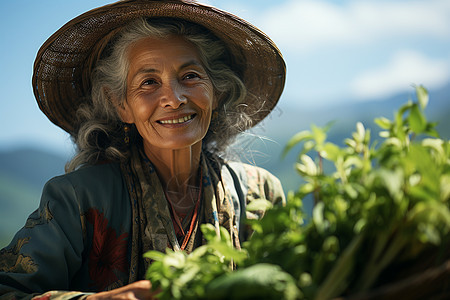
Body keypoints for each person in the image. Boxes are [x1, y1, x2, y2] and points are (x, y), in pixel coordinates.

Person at [0, 0, 286, 299]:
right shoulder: (77, 200)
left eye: (190, 76)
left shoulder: (261, 193)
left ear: (218, 92)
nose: (174, 99)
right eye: (149, 82)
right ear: (121, 105)